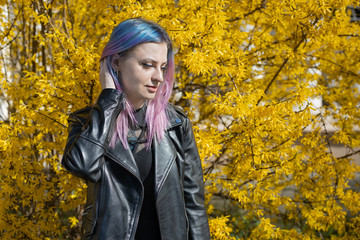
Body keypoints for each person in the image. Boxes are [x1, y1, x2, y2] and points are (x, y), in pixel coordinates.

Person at [61, 18, 210, 240]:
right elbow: (82, 166)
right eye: (147, 65)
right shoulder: (87, 122)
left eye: (162, 67)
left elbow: (194, 204)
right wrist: (109, 99)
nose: (159, 77)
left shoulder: (176, 124)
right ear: (116, 62)